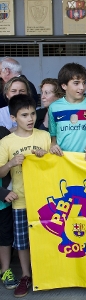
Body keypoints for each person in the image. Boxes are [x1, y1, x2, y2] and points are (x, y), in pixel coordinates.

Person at [0, 95, 51, 297]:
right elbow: (1, 172)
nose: (30, 119)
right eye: (24, 115)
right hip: (20, 199)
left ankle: (46, 273)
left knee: (47, 236)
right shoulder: (6, 142)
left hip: (46, 198)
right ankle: (26, 275)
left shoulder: (44, 136)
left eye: (32, 114)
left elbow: (57, 166)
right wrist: (11, 163)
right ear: (13, 118)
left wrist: (46, 156)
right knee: (22, 242)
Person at [48, 63, 86, 161]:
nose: (82, 87)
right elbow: (53, 136)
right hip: (63, 161)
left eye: (84, 82)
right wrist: (53, 146)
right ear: (64, 86)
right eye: (76, 83)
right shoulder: (54, 107)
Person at [0, 125, 16, 291]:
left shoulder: (3, 133)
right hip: (3, 195)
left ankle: (5, 270)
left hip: (3, 203)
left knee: (5, 237)